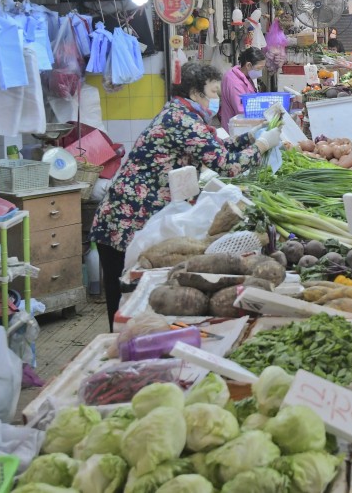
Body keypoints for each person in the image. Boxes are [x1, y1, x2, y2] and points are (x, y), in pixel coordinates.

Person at [89, 62, 280, 329]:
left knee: (128, 293)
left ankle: (125, 334)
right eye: (213, 92)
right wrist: (261, 145)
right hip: (125, 220)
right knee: (125, 296)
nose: (215, 99)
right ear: (195, 92)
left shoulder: (181, 113)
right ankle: (118, 341)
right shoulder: (182, 120)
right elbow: (227, 165)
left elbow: (215, 147)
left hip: (129, 217)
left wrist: (250, 137)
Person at [217, 47, 265, 131]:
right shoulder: (234, 82)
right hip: (235, 129)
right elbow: (241, 110)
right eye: (258, 68)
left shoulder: (244, 76)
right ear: (248, 65)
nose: (260, 73)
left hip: (242, 126)